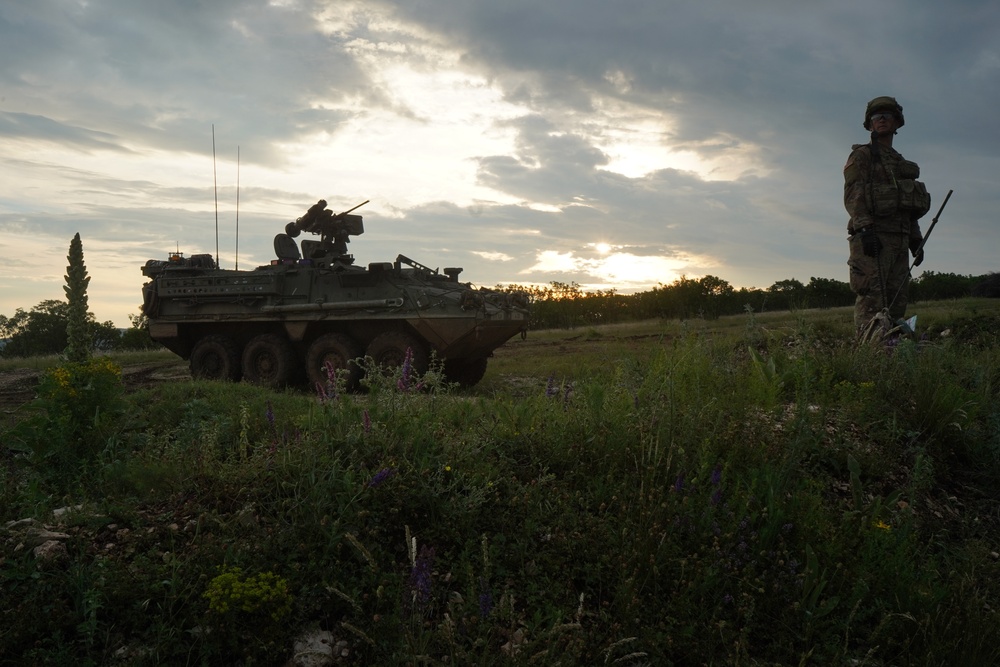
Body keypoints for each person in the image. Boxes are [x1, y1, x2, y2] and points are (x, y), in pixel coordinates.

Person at [843, 96, 931, 338]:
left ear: (896, 123)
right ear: (870, 124)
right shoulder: (862, 156)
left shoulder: (899, 162)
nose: (881, 119)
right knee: (872, 298)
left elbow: (906, 205)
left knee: (897, 300)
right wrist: (864, 230)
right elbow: (853, 195)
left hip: (899, 239)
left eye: (886, 115)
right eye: (875, 116)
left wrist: (915, 239)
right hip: (874, 238)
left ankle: (891, 350)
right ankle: (868, 354)